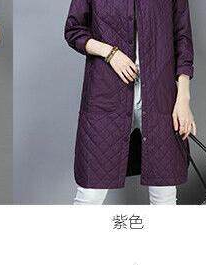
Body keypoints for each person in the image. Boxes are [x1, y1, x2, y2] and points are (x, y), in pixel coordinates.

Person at [64, 0, 195, 205]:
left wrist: (183, 99)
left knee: (164, 197)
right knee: (90, 197)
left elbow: (182, 37)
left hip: (160, 99)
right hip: (106, 98)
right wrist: (110, 53)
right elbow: (73, 30)